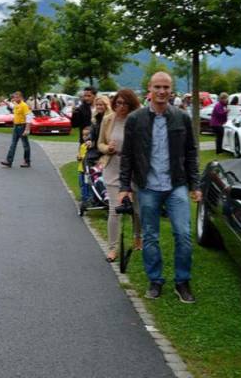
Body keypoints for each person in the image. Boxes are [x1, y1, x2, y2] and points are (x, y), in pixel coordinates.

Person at [119, 72, 200, 303]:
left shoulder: (181, 118)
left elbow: (191, 153)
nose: (162, 91)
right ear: (149, 89)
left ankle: (182, 281)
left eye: (166, 87)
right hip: (147, 187)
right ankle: (155, 280)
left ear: (171, 89)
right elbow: (128, 156)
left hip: (176, 185)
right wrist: (124, 186)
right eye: (158, 87)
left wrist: (195, 183)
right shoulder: (136, 119)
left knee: (183, 235)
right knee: (150, 236)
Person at [98, 89, 142, 262]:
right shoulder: (108, 119)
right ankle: (112, 248)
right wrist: (107, 148)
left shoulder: (137, 120)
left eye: (125, 103)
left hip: (133, 169)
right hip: (113, 166)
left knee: (136, 210)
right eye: (118, 103)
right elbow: (99, 143)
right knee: (114, 210)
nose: (121, 106)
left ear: (131, 105)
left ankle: (138, 235)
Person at [0, 91, 31, 168]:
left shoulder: (24, 105)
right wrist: (5, 101)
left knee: (25, 145)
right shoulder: (16, 105)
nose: (15, 99)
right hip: (16, 126)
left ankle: (27, 161)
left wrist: (27, 129)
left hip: (22, 126)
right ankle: (9, 161)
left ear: (21, 97)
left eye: (17, 97)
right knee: (13, 144)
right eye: (14, 97)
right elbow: (11, 106)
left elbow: (28, 117)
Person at [77, 127, 92, 208]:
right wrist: (78, 156)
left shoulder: (90, 146)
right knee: (82, 184)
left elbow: (87, 156)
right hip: (81, 169)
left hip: (87, 170)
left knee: (88, 184)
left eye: (87, 135)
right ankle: (84, 199)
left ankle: (89, 199)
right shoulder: (82, 145)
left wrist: (82, 157)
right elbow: (80, 155)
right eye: (83, 135)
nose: (85, 137)